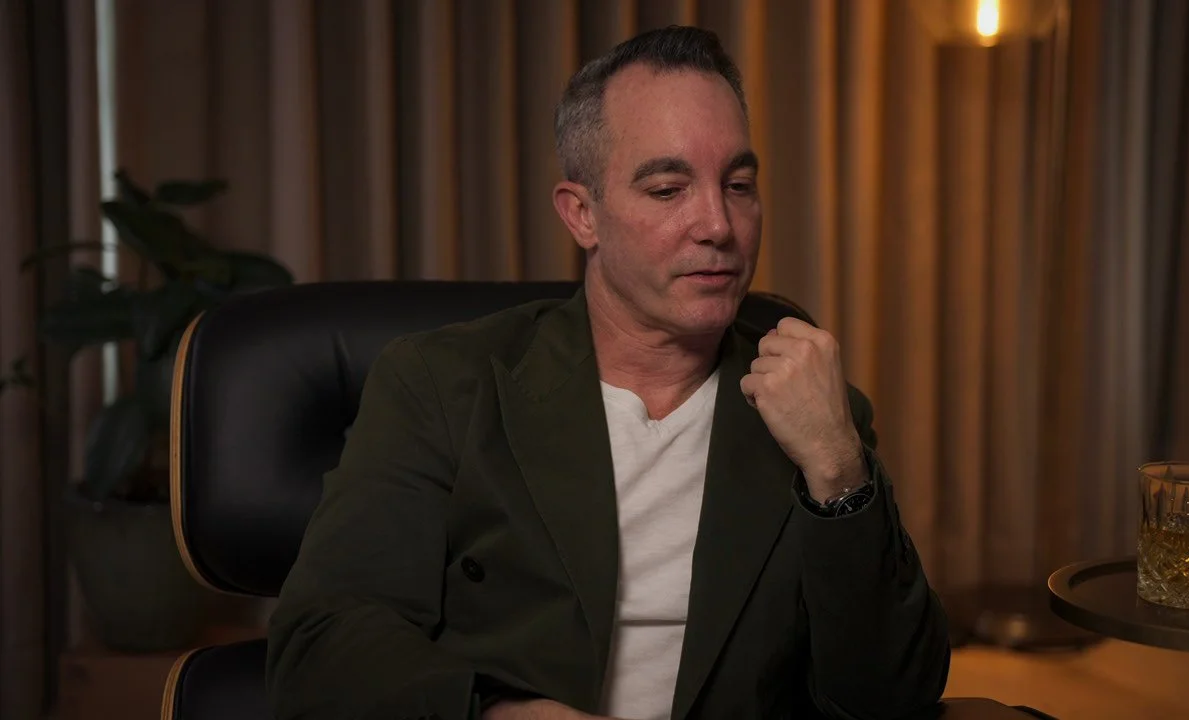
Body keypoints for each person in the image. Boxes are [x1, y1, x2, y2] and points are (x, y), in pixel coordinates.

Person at [265, 25, 949, 720]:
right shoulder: (442, 383)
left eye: (738, 184)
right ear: (583, 215)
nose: (718, 223)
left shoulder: (815, 407)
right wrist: (501, 716)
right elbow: (322, 647)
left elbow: (890, 698)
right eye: (666, 190)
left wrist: (838, 464)